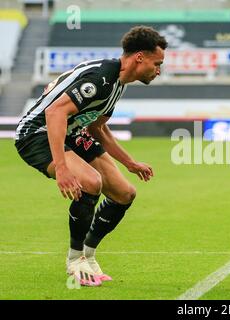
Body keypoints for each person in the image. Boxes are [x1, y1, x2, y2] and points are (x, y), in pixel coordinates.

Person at [15, 26, 168, 286]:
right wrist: (62, 168)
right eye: (157, 63)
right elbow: (54, 114)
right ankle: (74, 260)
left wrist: (130, 163)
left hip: (71, 132)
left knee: (124, 194)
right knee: (91, 182)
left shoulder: (120, 84)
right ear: (139, 57)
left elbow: (97, 127)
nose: (159, 70)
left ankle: (88, 255)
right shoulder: (101, 78)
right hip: (37, 133)